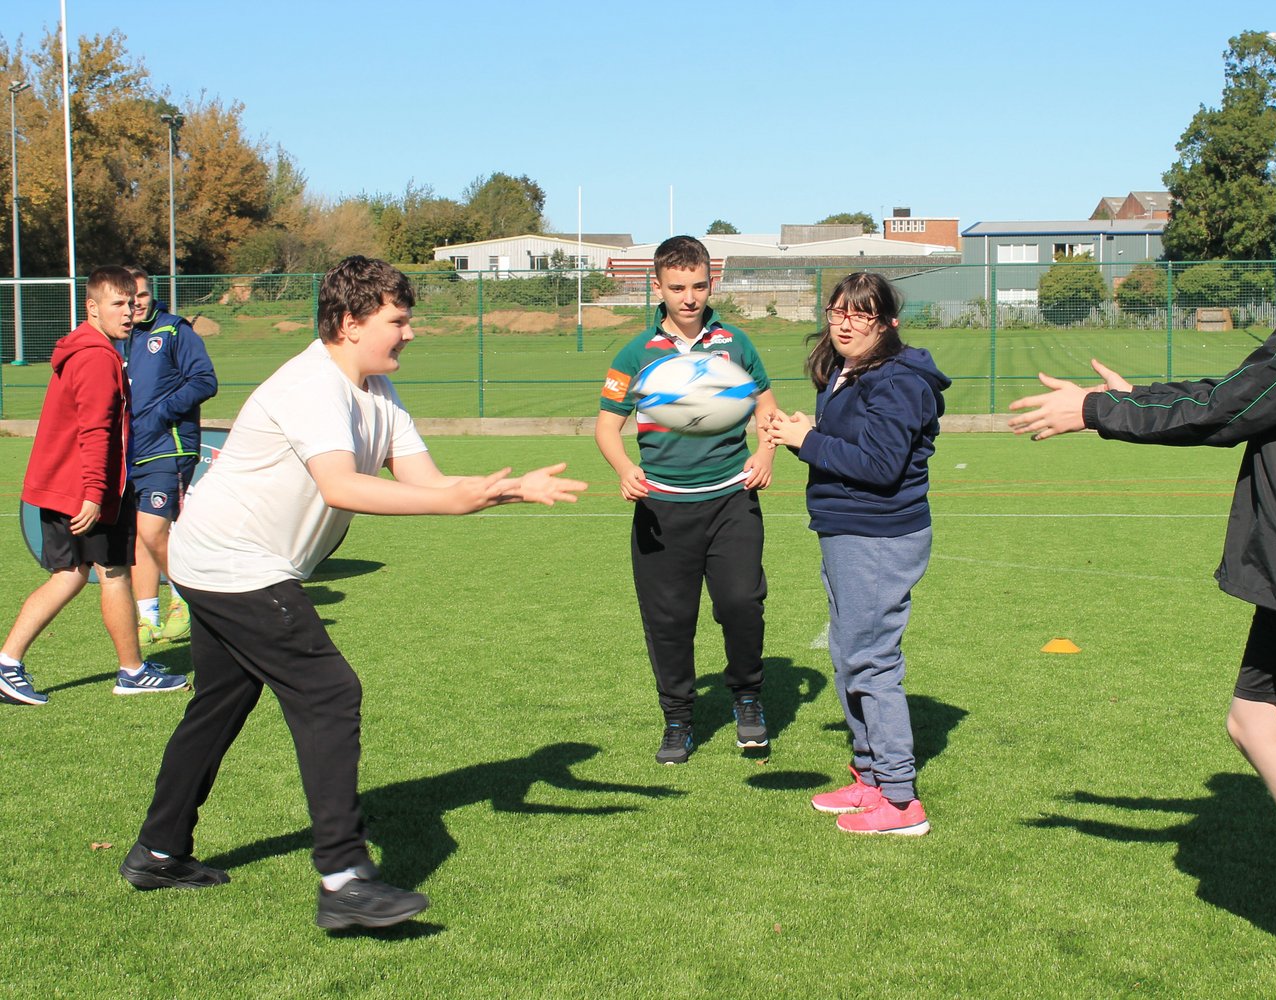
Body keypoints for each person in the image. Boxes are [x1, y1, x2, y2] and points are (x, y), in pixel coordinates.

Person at [1008, 125, 1276, 1000]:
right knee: (1252, 722)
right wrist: (1134, 398)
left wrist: (1100, 411)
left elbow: (1240, 405)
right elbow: (1257, 385)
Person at [119, 256, 586, 930]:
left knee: (219, 705)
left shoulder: (376, 392)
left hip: (220, 561)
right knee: (330, 690)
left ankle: (157, 852)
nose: (410, 334)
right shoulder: (314, 386)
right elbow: (341, 486)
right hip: (235, 564)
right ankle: (342, 877)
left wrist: (506, 488)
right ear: (349, 321)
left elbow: (426, 478)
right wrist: (454, 506)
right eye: (398, 321)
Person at [767, 273, 949, 836]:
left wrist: (807, 441)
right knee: (851, 656)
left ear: (888, 321)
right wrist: (812, 429)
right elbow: (855, 444)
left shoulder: (898, 380)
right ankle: (869, 776)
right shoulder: (847, 369)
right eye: (837, 311)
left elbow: (880, 464)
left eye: (862, 313)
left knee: (872, 661)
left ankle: (899, 801)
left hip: (878, 536)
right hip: (847, 530)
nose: (846, 322)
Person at [594, 235, 779, 764]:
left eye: (698, 285)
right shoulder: (635, 352)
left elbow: (767, 405)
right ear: (658, 287)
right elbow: (607, 427)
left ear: (710, 283)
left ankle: (747, 699)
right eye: (677, 287)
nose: (689, 297)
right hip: (661, 508)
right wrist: (625, 468)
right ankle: (677, 719)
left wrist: (765, 451)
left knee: (741, 603)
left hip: (730, 499)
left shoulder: (735, 344)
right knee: (669, 619)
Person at [0, 266, 190, 706]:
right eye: (118, 304)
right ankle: (132, 672)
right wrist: (92, 493)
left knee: (70, 575)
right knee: (115, 574)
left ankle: (8, 663)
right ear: (92, 307)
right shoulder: (96, 356)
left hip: (69, 488)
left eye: (133, 303)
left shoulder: (94, 350)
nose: (129, 312)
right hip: (83, 493)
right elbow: (95, 432)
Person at [122, 267, 218, 646]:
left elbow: (205, 380)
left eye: (141, 295)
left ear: (152, 294)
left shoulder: (174, 330)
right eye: (129, 299)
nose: (136, 304)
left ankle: (187, 600)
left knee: (152, 529)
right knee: (140, 538)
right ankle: (148, 619)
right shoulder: (119, 337)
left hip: (170, 445)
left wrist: (161, 414)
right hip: (134, 452)